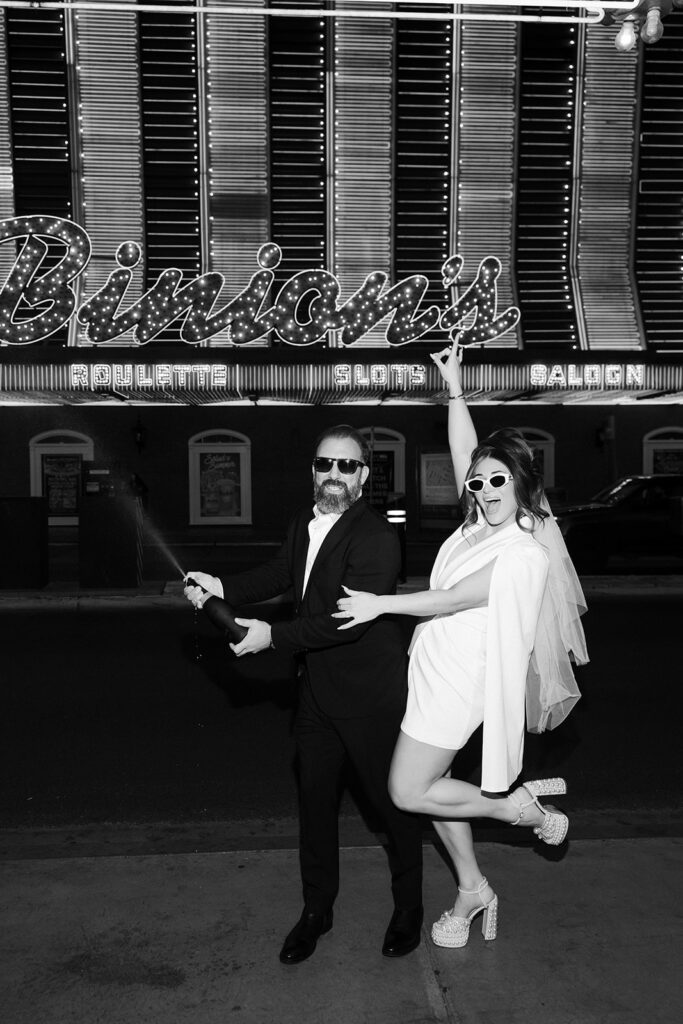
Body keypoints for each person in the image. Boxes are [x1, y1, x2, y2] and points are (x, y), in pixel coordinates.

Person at [334, 345, 588, 951]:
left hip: (459, 683)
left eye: (498, 480)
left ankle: (516, 808)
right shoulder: (480, 522)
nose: (484, 488)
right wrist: (454, 390)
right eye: (478, 483)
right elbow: (464, 454)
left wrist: (380, 605)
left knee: (407, 789)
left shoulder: (525, 550)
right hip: (432, 668)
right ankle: (473, 888)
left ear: (522, 483)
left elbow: (454, 599)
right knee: (436, 785)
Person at [184, 424, 423, 964]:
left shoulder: (377, 538)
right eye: (324, 465)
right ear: (312, 471)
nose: (333, 475)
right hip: (314, 694)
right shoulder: (304, 523)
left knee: (394, 806)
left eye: (346, 466)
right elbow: (278, 575)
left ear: (363, 476)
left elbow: (344, 622)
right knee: (315, 807)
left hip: (369, 698)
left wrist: (273, 637)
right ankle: (317, 911)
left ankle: (408, 906)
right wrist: (223, 587)